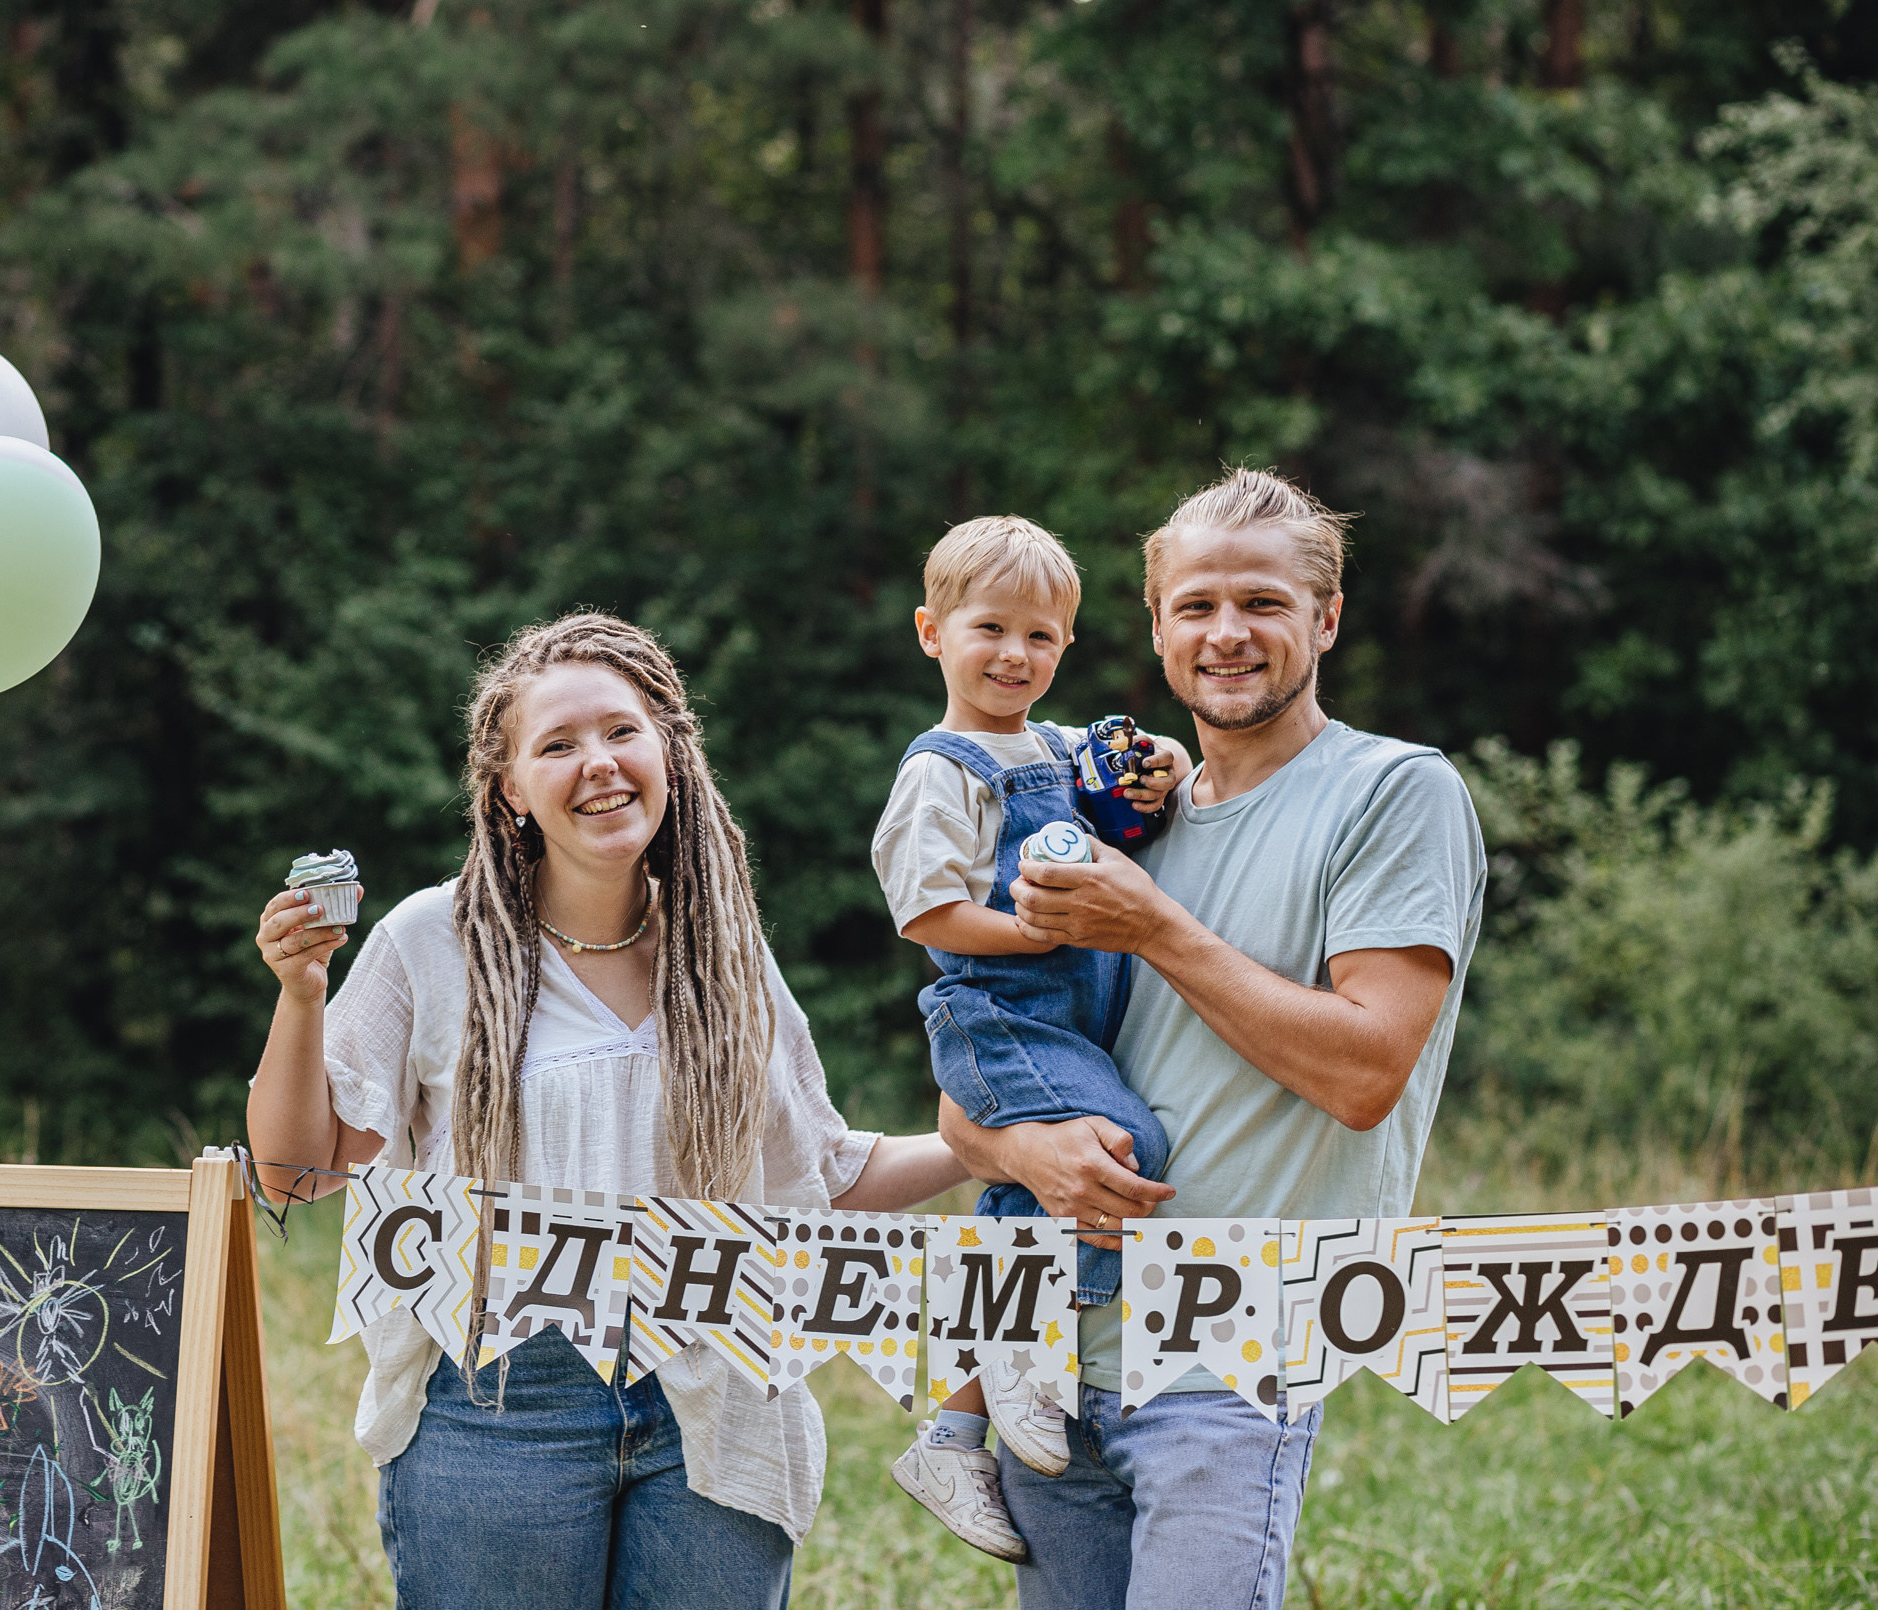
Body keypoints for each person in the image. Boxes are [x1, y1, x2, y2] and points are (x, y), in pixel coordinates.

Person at [245, 612, 968, 1610]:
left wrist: (982, 1145)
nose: (599, 762)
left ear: (667, 750)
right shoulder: (432, 940)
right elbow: (297, 1173)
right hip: (501, 1401)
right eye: (557, 744)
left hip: (717, 1393)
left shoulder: (722, 951)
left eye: (622, 731)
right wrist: (301, 993)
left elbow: (824, 1177)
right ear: (509, 789)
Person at [940, 470, 1487, 1610]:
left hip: (1230, 1364)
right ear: (1155, 627)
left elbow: (1366, 1071)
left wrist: (1154, 926)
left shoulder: (1394, 792)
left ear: (1326, 619)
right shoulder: (1112, 820)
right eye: (1195, 605)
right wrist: (1027, 1151)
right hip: (1051, 1364)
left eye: (1263, 602)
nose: (1226, 633)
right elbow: (974, 1087)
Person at [870, 515, 1179, 1564]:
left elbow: (1133, 784)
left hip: (1067, 1014)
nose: (1015, 655)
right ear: (932, 632)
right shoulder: (940, 770)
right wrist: (1040, 931)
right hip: (999, 1010)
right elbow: (926, 911)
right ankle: (1022, 1357)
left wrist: (1166, 763)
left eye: (1040, 636)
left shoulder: (1054, 747)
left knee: (1029, 1189)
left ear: (1065, 645)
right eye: (990, 629)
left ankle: (953, 1435)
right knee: (1117, 1146)